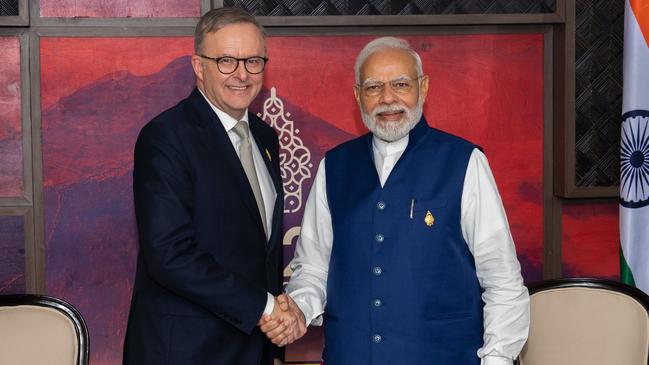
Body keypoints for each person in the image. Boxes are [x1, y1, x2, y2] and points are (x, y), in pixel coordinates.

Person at [264, 36, 530, 364]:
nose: (388, 98)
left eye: (401, 84)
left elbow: (501, 277)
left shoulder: (464, 161)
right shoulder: (334, 167)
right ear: (357, 94)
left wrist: (497, 359)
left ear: (424, 87)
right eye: (374, 87)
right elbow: (314, 267)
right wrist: (300, 310)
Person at [123, 7, 300, 365]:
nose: (241, 74)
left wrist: (273, 346)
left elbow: (259, 254)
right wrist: (266, 308)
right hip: (186, 351)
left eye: (253, 60)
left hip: (252, 348)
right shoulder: (166, 137)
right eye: (225, 61)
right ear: (198, 66)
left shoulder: (266, 137)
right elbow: (170, 254)